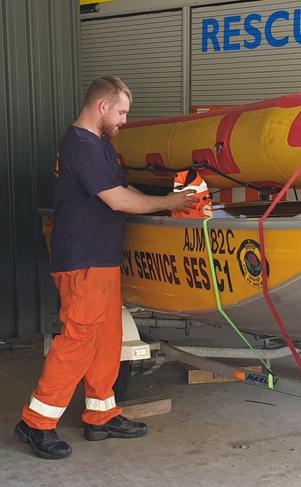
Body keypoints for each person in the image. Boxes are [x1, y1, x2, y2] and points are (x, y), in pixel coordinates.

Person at [14, 75, 198, 459]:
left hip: (101, 259)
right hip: (83, 261)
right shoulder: (82, 145)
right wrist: (170, 202)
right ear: (101, 106)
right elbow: (117, 200)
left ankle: (101, 414)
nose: (124, 120)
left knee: (106, 340)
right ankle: (35, 423)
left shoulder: (98, 145)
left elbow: (125, 192)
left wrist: (166, 194)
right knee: (78, 342)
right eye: (122, 111)